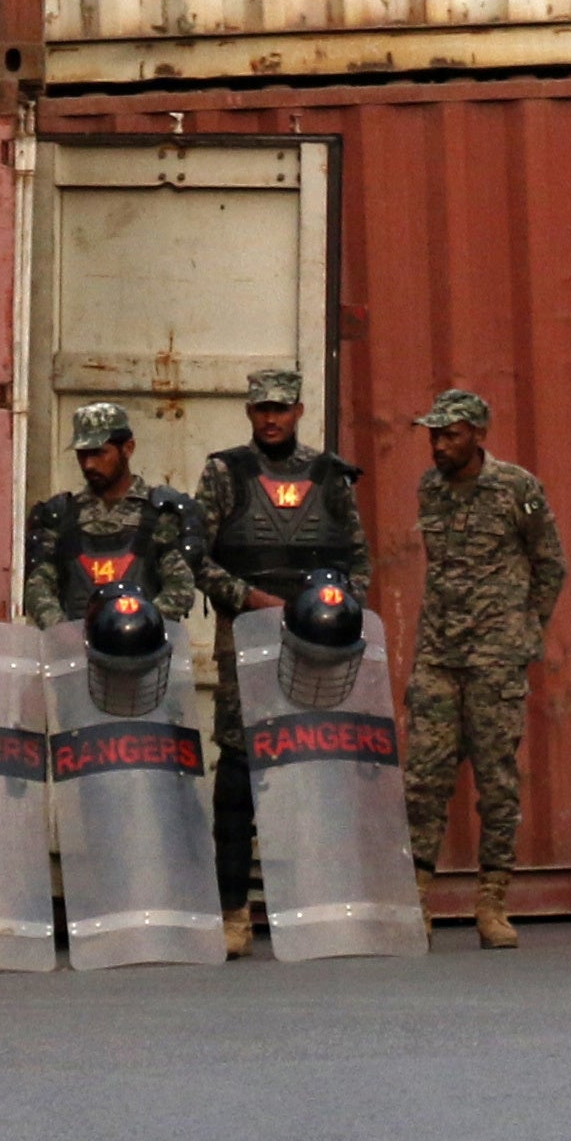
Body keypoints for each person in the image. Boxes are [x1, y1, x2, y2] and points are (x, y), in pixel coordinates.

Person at [194, 366, 367, 950]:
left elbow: (359, 562)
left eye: (281, 408)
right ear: (249, 412)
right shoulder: (224, 473)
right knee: (240, 771)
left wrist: (336, 610)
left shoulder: (330, 476)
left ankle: (315, 903)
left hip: (318, 647)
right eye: (261, 408)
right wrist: (255, 601)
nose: (271, 418)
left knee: (314, 768)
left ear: (298, 411)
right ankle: (234, 912)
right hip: (246, 640)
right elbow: (198, 559)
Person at [406, 385, 568, 945]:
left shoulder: (515, 488)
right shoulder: (430, 489)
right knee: (423, 780)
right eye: (434, 436)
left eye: (450, 435)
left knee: (497, 783)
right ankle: (417, 903)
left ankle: (492, 905)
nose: (439, 446)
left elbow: (551, 564)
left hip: (495, 661)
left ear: (477, 434)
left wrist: (523, 633)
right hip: (438, 655)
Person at [21, 399, 215, 637]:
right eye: (82, 455)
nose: (89, 464)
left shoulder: (160, 513)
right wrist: (62, 631)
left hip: (145, 654)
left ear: (128, 448)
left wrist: (140, 625)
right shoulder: (62, 515)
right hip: (76, 656)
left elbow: (181, 586)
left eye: (99, 453)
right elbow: (38, 586)